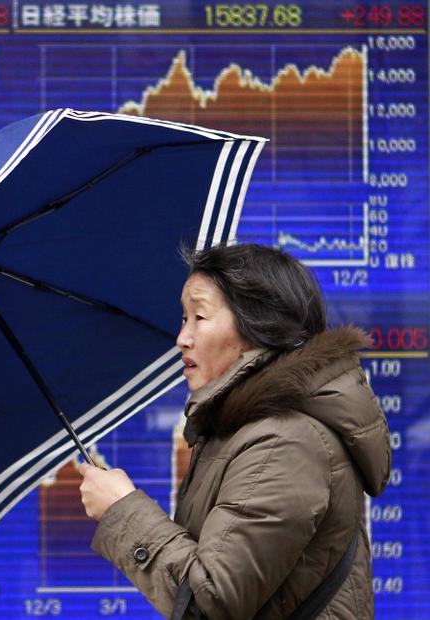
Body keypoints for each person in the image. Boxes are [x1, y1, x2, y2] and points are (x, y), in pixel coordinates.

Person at [78, 243, 391, 619]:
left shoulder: (285, 443)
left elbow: (212, 603)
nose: (183, 338)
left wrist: (123, 512)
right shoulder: (239, 430)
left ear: (258, 327)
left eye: (200, 317)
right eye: (183, 319)